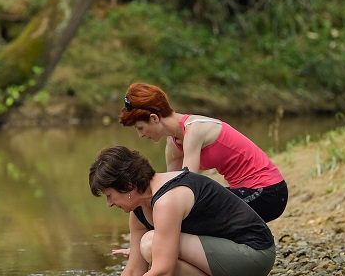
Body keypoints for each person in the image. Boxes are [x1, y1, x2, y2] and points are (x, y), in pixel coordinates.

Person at [77, 146, 277, 276]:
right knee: (151, 246)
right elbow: (135, 268)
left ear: (128, 185)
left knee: (151, 244)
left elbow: (162, 272)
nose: (109, 203)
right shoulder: (139, 209)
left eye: (110, 195)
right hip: (225, 255)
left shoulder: (167, 198)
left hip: (254, 256)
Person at [119, 82, 288, 223]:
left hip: (268, 192)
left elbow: (189, 185)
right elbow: (169, 189)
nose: (141, 135)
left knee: (192, 209)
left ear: (154, 118)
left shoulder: (194, 130)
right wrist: (143, 200)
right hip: (244, 191)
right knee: (152, 208)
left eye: (140, 128)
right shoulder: (173, 143)